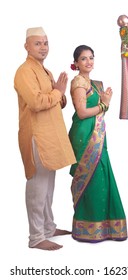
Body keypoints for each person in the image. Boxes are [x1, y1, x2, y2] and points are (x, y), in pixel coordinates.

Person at [14, 27, 76, 250]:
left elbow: (58, 102)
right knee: (38, 186)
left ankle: (49, 228)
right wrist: (58, 92)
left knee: (49, 186)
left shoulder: (45, 71)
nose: (43, 47)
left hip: (51, 135)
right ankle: (36, 237)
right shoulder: (24, 71)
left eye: (46, 43)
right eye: (38, 43)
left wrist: (60, 93)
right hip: (37, 136)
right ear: (27, 47)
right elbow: (36, 102)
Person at [69, 45, 128, 242]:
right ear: (76, 63)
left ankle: (105, 227)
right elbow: (82, 112)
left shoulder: (95, 84)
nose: (88, 62)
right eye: (84, 59)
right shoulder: (78, 82)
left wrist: (104, 103)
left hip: (98, 135)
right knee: (91, 178)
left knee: (101, 176)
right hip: (84, 137)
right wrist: (104, 104)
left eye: (91, 58)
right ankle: (87, 226)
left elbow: (99, 111)